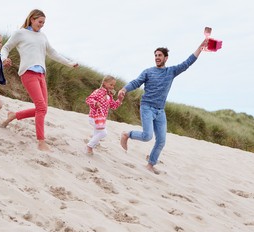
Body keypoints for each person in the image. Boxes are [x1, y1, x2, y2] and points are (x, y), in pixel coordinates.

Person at [118, 39, 208, 174]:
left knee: (161, 141)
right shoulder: (148, 72)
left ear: (166, 58)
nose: (157, 58)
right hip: (147, 107)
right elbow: (136, 82)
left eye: (159, 55)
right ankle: (127, 134)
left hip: (160, 111)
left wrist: (200, 48)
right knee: (147, 136)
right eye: (155, 55)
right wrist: (124, 89)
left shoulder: (171, 72)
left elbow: (188, 62)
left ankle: (150, 165)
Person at [0, 9, 79, 152]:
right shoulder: (21, 33)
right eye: (39, 22)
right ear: (32, 19)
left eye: (44, 23)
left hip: (41, 75)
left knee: (42, 109)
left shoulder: (42, 36)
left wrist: (70, 63)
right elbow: (6, 47)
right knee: (41, 108)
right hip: (28, 74)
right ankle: (41, 142)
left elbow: (53, 53)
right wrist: (4, 58)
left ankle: (13, 116)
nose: (42, 25)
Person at [85, 75, 124, 154]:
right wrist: (95, 103)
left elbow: (113, 106)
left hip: (101, 119)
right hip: (94, 117)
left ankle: (92, 146)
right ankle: (89, 146)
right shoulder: (98, 91)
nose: (112, 87)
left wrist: (119, 100)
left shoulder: (109, 96)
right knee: (103, 133)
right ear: (104, 83)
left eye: (113, 85)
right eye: (111, 84)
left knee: (97, 132)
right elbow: (88, 99)